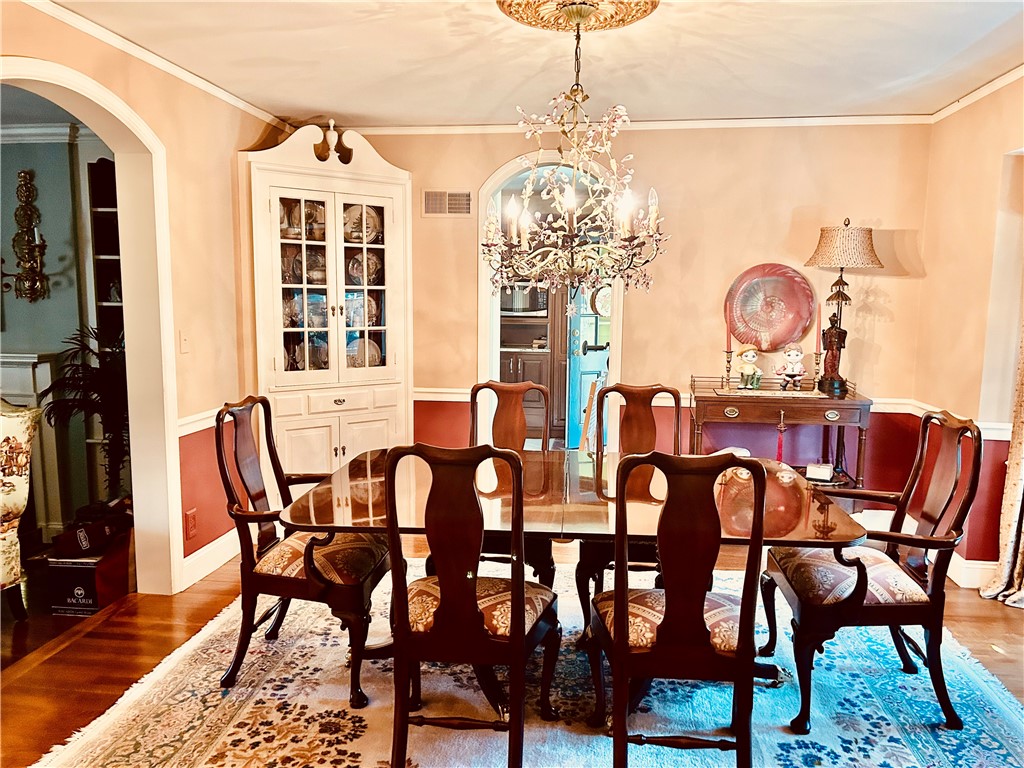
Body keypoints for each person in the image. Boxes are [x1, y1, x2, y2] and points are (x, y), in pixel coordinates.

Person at [822, 312, 847, 381]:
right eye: (831, 321)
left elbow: (844, 332)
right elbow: (825, 336)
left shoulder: (837, 329)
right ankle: (827, 373)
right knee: (827, 359)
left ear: (835, 322)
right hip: (830, 346)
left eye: (833, 321)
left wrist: (840, 340)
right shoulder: (828, 329)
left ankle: (834, 373)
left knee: (835, 359)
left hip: (835, 346)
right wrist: (824, 335)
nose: (832, 323)